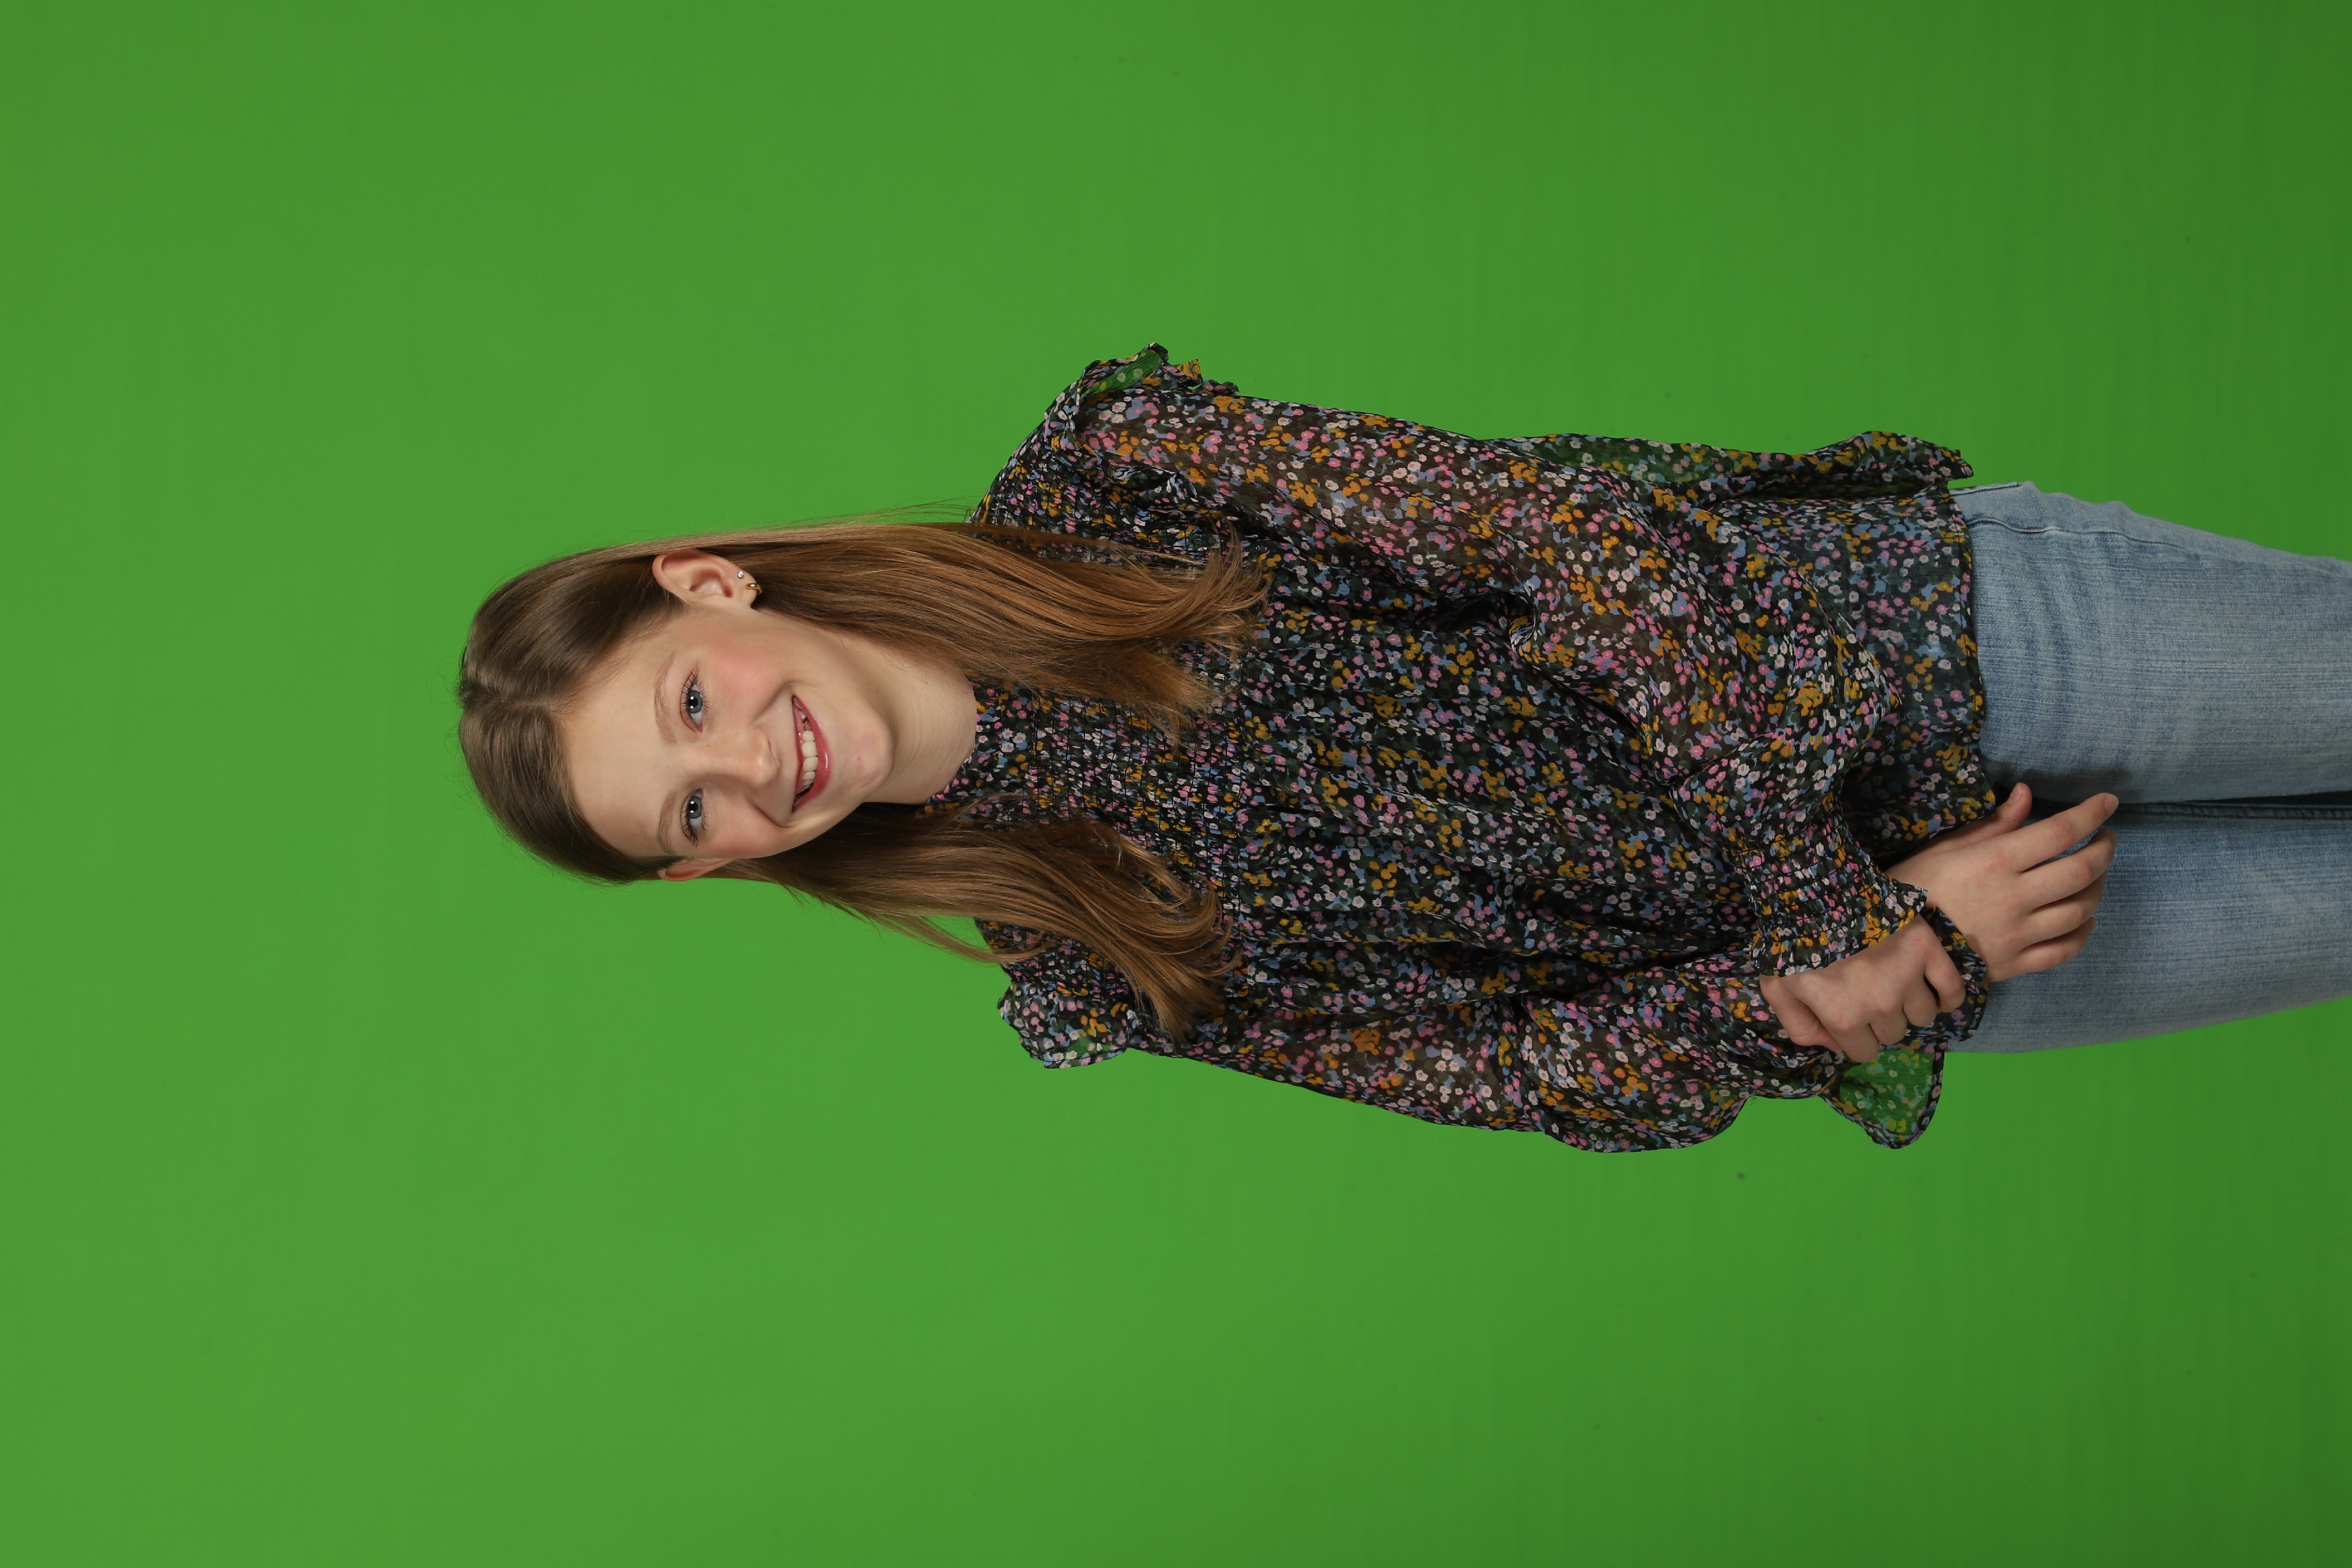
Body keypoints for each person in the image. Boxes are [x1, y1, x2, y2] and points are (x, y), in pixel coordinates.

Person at [457, 346, 2352, 1152]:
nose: (747, 768)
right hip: (1954, 942)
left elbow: (1569, 542)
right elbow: (1508, 1071)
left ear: (708, 583)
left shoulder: (1117, 474)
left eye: (688, 704)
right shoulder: (1092, 963)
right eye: (688, 813)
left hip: (1940, 650)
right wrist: (1840, 986)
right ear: (716, 866)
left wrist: (1822, 910)